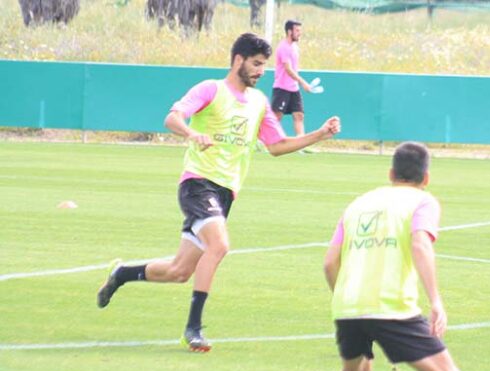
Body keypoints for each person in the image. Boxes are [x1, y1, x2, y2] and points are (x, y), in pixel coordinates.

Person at [96, 32, 341, 352]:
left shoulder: (258, 103)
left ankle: (122, 274)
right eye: (255, 64)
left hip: (225, 195)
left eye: (263, 66)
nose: (260, 71)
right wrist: (192, 133)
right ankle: (193, 328)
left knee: (179, 271)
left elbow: (277, 146)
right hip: (197, 184)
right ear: (238, 60)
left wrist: (319, 135)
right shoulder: (210, 89)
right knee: (221, 245)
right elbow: (172, 117)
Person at [324, 142, 462, 371]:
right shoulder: (422, 201)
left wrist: (348, 301)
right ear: (426, 178)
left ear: (391, 174)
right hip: (391, 307)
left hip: (348, 306)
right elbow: (420, 244)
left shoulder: (357, 204)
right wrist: (436, 301)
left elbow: (330, 263)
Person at [272, 20, 311, 138]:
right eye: (297, 30)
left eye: (300, 30)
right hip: (282, 88)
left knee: (299, 115)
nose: (300, 33)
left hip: (293, 88)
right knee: (276, 117)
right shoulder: (284, 47)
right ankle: (262, 141)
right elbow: (288, 69)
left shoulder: (294, 46)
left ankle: (301, 143)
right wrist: (303, 82)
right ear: (289, 32)